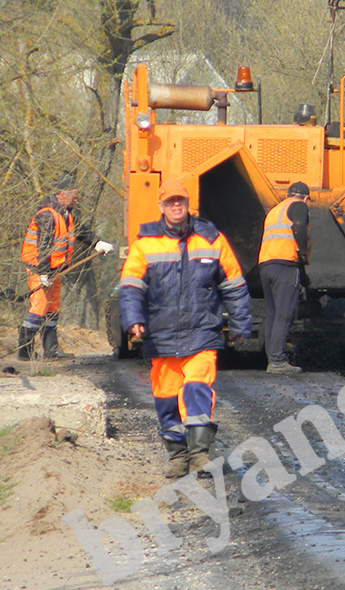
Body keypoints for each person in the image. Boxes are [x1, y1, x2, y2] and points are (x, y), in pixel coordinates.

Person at [119, 179, 251, 478]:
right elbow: (130, 287)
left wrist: (241, 323)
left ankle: (199, 455)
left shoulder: (212, 239)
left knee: (197, 390)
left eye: (180, 201)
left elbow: (233, 283)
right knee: (166, 398)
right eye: (170, 202)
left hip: (202, 332)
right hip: (162, 335)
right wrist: (132, 320)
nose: (176, 206)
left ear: (188, 203)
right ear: (161, 207)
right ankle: (177, 455)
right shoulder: (145, 244)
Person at [18, 173, 114, 360]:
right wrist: (44, 274)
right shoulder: (47, 215)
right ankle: (24, 353)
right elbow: (43, 247)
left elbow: (81, 231)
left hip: (54, 270)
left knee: (53, 308)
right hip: (39, 270)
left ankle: (51, 351)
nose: (76, 199)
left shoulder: (66, 214)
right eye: (74, 195)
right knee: (39, 307)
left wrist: (97, 243)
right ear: (63, 193)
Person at [258, 181, 310, 373]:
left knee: (272, 313)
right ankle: (278, 361)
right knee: (284, 313)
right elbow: (299, 226)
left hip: (266, 265)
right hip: (286, 265)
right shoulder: (299, 206)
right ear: (305, 197)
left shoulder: (275, 210)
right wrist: (302, 253)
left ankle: (271, 357)